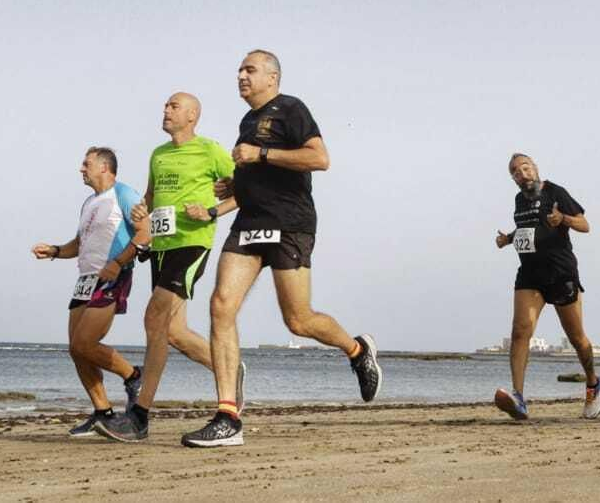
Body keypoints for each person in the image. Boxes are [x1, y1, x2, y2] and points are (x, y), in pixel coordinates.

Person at [182, 50, 381, 449]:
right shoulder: (247, 121)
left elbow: (319, 158)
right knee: (221, 305)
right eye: (238, 69)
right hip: (250, 222)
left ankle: (357, 350)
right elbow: (255, 180)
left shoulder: (291, 108)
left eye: (249, 69)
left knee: (298, 320)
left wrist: (262, 154)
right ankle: (227, 415)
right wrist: (231, 191)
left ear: (272, 77)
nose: (241, 75)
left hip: (289, 224)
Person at [98, 93, 239, 442]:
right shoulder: (158, 154)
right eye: (165, 105)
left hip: (192, 244)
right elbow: (151, 195)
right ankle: (229, 368)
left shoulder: (210, 150)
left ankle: (139, 416)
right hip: (161, 247)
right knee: (173, 332)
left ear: (192, 115)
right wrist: (141, 210)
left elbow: (247, 191)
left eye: (173, 106)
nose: (165, 110)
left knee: (153, 317)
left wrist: (210, 212)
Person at [30, 147, 149, 438]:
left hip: (112, 275)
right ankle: (103, 413)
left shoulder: (124, 194)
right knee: (76, 349)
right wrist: (56, 251)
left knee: (85, 343)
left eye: (87, 164)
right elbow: (79, 243)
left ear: (105, 167)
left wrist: (118, 263)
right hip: (85, 280)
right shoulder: (89, 203)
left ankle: (134, 376)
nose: (81, 169)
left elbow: (145, 232)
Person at [491, 153, 600, 421]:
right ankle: (518, 398)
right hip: (529, 275)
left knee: (577, 339)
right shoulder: (519, 201)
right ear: (514, 179)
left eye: (525, 167)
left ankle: (592, 383)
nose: (522, 173)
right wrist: (508, 239)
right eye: (516, 172)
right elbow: (527, 230)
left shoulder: (556, 191)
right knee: (520, 331)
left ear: (536, 168)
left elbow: (585, 225)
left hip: (561, 272)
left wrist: (562, 219)